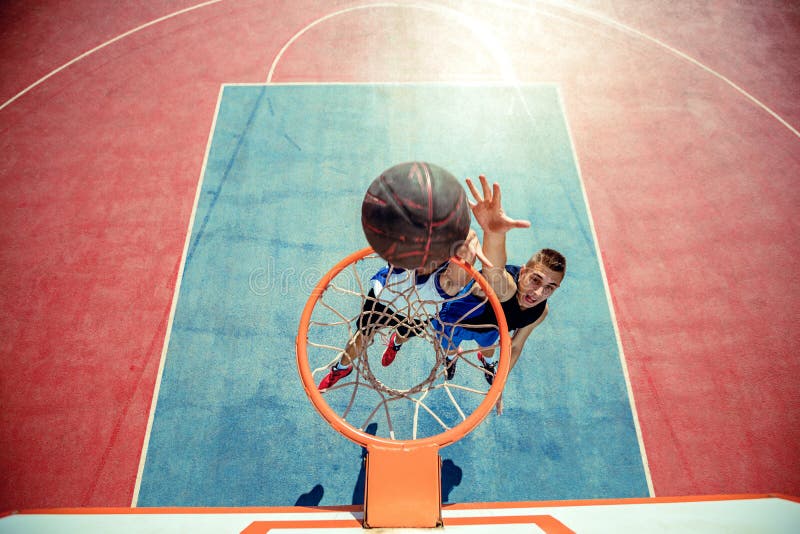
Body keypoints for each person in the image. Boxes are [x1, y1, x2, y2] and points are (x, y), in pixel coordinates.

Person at [433, 175, 566, 414]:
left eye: (549, 287)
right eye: (535, 279)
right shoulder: (508, 288)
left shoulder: (541, 310)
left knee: (489, 349)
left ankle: (486, 361)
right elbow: (495, 271)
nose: (538, 292)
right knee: (451, 348)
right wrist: (494, 233)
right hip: (456, 320)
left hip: (489, 329)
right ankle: (452, 357)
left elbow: (514, 346)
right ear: (523, 272)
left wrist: (500, 383)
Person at [317, 228, 485, 390]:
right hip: (383, 300)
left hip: (417, 314)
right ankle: (341, 368)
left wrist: (473, 235)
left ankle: (395, 344)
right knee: (362, 337)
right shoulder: (404, 250)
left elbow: (467, 245)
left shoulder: (447, 281)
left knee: (403, 335)